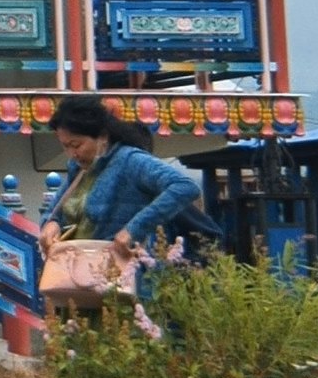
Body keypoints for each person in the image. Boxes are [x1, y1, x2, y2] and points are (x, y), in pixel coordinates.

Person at [42, 97, 201, 304]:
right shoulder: (78, 169)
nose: (72, 153)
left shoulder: (131, 161)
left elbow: (185, 187)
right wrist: (51, 223)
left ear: (102, 137)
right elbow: (57, 210)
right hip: (75, 282)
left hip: (122, 282)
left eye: (77, 144)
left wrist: (133, 229)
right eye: (65, 146)